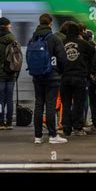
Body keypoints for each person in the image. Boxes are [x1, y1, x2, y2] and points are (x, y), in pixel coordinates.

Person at [29, 13, 67, 144]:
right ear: (50, 23)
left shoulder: (33, 38)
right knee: (50, 105)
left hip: (37, 75)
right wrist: (60, 72)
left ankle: (37, 137)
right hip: (52, 76)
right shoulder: (54, 39)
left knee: (39, 104)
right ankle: (52, 136)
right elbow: (62, 58)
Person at [61, 22, 95, 136]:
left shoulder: (61, 43)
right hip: (80, 77)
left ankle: (66, 128)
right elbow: (93, 54)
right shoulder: (83, 43)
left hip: (65, 77)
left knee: (66, 104)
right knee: (78, 103)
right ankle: (77, 127)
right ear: (78, 32)